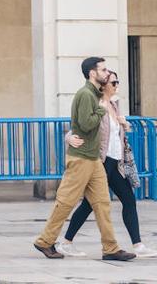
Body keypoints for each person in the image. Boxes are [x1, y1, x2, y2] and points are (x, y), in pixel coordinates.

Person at [34, 57, 135, 261]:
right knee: (66, 202)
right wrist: (101, 109)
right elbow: (86, 124)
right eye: (103, 69)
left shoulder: (95, 95)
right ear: (92, 73)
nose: (107, 73)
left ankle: (110, 248)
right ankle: (45, 241)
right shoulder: (86, 94)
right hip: (80, 159)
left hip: (93, 159)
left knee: (102, 203)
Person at [57, 71, 157, 258]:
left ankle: (138, 245)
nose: (117, 85)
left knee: (128, 199)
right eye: (114, 82)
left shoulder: (114, 105)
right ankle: (66, 242)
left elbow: (113, 136)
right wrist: (69, 138)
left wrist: (124, 125)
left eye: (117, 81)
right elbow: (78, 127)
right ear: (103, 85)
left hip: (115, 163)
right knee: (88, 204)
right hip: (100, 163)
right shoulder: (96, 104)